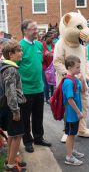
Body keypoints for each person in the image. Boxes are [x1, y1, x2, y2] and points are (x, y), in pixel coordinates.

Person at [19, 19, 51, 153]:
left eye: (37, 28)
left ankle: (39, 137)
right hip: (25, 89)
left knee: (38, 116)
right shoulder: (19, 46)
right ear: (25, 31)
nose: (36, 31)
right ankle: (27, 141)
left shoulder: (39, 45)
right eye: (33, 29)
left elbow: (42, 62)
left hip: (39, 87)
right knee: (25, 118)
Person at [1, 40, 27, 171]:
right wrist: (16, 111)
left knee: (12, 134)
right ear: (11, 54)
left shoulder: (3, 66)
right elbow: (10, 92)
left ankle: (9, 159)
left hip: (6, 107)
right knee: (18, 135)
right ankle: (11, 166)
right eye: (19, 51)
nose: (21, 53)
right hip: (12, 107)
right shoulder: (11, 69)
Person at [62, 55, 85, 166]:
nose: (79, 69)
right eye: (77, 67)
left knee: (73, 133)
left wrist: (82, 80)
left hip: (75, 113)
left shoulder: (75, 79)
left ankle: (71, 150)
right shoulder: (68, 82)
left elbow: (83, 90)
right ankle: (69, 157)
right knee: (70, 134)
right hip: (71, 114)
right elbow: (70, 99)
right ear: (70, 68)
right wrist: (78, 112)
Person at [42, 31, 55, 104]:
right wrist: (45, 55)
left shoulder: (53, 45)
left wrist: (53, 54)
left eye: (53, 38)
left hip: (52, 67)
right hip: (44, 67)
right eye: (51, 38)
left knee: (52, 83)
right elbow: (39, 57)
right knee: (46, 83)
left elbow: (56, 55)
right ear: (47, 37)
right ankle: (47, 98)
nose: (52, 40)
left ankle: (53, 97)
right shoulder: (42, 45)